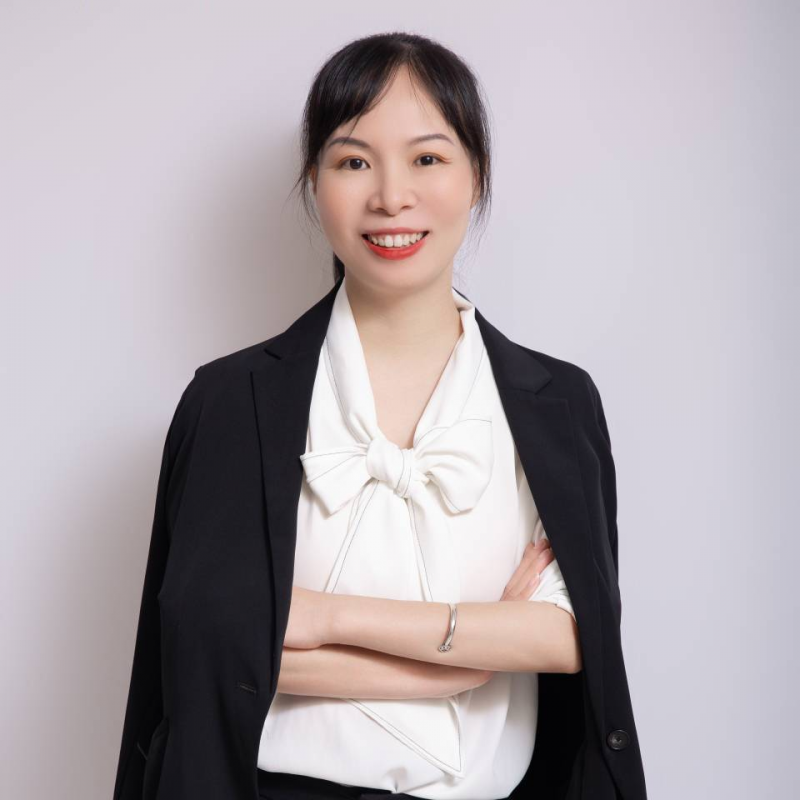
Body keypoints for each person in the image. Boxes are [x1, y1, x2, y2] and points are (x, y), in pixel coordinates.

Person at [113, 32, 647, 800]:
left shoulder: (557, 402)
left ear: (476, 176)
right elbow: (210, 650)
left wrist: (323, 618)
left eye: (427, 158)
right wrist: (466, 659)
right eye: (354, 161)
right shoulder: (230, 401)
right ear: (314, 181)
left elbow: (569, 634)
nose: (392, 196)